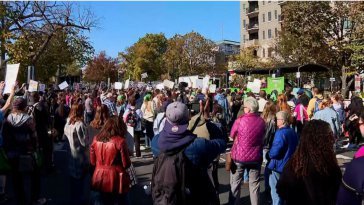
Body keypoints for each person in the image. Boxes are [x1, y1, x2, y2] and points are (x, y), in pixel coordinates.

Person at [151, 101, 226, 204]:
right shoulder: (199, 145)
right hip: (196, 196)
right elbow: (222, 143)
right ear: (188, 119)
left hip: (167, 197)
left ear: (166, 119)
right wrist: (207, 120)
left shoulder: (155, 143)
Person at [277, 120, 342, 205]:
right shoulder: (331, 167)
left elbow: (281, 190)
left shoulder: (294, 164)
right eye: (330, 136)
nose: (333, 139)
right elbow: (338, 193)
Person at [3, 96, 44, 205]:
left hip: (12, 154)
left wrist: (7, 151)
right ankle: (34, 199)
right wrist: (36, 149)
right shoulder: (29, 119)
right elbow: (34, 137)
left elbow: (5, 136)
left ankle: (20, 200)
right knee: (34, 177)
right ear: (24, 106)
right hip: (27, 153)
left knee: (16, 178)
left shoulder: (8, 119)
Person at [228, 97, 265, 205]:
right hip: (256, 157)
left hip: (239, 156)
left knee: (235, 184)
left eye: (244, 107)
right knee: (254, 186)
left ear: (248, 109)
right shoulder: (262, 122)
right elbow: (264, 137)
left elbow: (231, 135)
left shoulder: (239, 120)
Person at [90, 117, 131, 205]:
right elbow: (126, 164)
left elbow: (92, 162)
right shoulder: (120, 141)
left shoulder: (96, 139)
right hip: (116, 177)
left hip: (98, 176)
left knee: (100, 201)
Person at [268, 111, 299, 205]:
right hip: (290, 165)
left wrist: (269, 154)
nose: (276, 121)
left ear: (282, 121)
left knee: (276, 192)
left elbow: (275, 151)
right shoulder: (292, 131)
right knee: (287, 192)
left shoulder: (281, 133)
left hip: (278, 166)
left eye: (277, 119)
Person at [63, 103, 88, 205]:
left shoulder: (68, 122)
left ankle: (73, 200)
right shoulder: (80, 124)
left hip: (70, 154)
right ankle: (79, 201)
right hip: (79, 156)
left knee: (72, 181)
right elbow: (85, 143)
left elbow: (64, 138)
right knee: (80, 182)